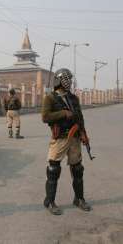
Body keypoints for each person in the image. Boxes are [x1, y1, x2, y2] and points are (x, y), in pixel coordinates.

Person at [41, 68, 91, 215]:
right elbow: (45, 117)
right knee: (53, 169)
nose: (68, 82)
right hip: (60, 138)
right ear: (58, 80)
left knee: (77, 169)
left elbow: (80, 117)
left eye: (70, 78)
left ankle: (79, 199)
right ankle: (49, 201)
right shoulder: (50, 98)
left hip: (74, 137)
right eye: (65, 79)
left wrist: (84, 134)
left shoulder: (74, 98)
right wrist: (63, 113)